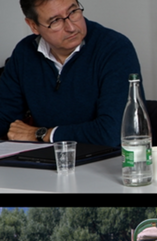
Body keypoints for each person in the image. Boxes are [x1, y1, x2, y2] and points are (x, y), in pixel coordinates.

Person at [0, 0, 142, 147]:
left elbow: (114, 132)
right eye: (55, 21)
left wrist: (42, 134)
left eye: (73, 12)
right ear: (33, 26)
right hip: (46, 159)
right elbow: (4, 115)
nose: (71, 27)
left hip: (105, 162)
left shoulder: (114, 48)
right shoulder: (24, 53)